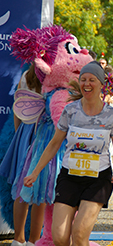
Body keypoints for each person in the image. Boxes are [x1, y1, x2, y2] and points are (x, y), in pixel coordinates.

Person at [23, 61, 113, 246]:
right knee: (60, 237)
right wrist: (35, 172)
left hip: (98, 179)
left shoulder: (111, 114)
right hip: (69, 177)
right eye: (83, 79)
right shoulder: (70, 110)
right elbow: (54, 143)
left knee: (79, 235)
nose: (87, 84)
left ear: (102, 84)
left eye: (92, 80)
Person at [0, 65, 43, 246]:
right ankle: (34, 239)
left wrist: (20, 135)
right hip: (44, 133)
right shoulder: (53, 77)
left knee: (21, 186)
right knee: (40, 187)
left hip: (24, 133)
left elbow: (17, 107)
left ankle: (19, 239)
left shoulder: (26, 75)